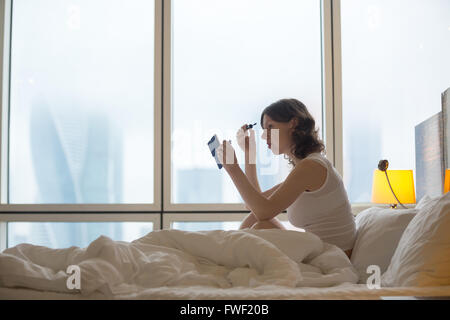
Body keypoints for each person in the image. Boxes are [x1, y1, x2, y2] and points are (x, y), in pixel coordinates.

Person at [215, 98, 356, 259]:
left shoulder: (311, 167)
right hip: (322, 250)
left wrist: (233, 169)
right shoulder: (306, 166)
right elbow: (254, 205)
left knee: (261, 224)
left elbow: (263, 211)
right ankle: (230, 257)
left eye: (270, 127)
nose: (264, 136)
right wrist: (249, 154)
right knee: (257, 220)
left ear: (293, 123)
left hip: (334, 256)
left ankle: (228, 258)